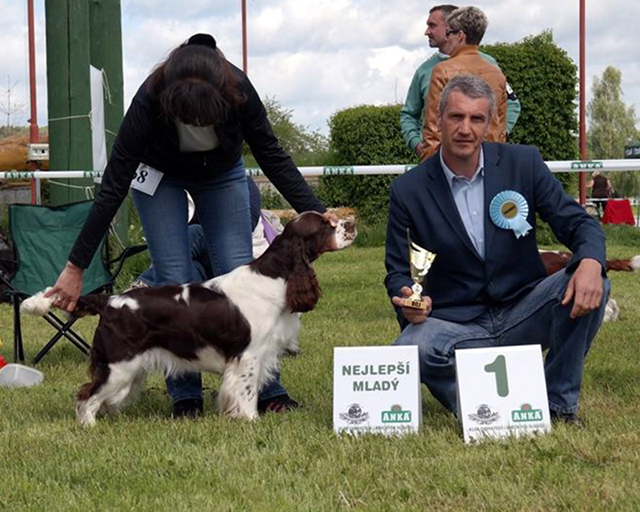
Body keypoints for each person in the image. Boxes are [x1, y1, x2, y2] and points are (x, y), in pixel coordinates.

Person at [45, 33, 334, 418]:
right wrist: (76, 266)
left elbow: (272, 156)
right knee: (173, 276)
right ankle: (185, 397)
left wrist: (317, 212)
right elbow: (113, 186)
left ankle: (267, 391)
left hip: (222, 173)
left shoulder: (240, 88)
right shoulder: (149, 98)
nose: (198, 121)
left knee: (241, 273)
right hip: (159, 175)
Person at [385, 75, 609, 425]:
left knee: (594, 281)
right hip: (457, 321)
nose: (465, 129)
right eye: (456, 117)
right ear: (438, 121)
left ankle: (557, 405)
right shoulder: (407, 189)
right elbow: (398, 270)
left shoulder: (525, 163)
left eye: (476, 119)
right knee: (410, 350)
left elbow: (579, 224)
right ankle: (485, 408)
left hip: (524, 309)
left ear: (490, 124)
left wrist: (592, 262)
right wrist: (407, 298)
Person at [400, 4, 520, 159]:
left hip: (451, 162)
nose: (426, 32)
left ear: (454, 30)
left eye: (432, 25)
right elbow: (409, 115)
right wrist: (417, 144)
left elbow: (512, 104)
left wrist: (497, 135)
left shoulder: (489, 65)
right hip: (488, 160)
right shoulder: (424, 71)